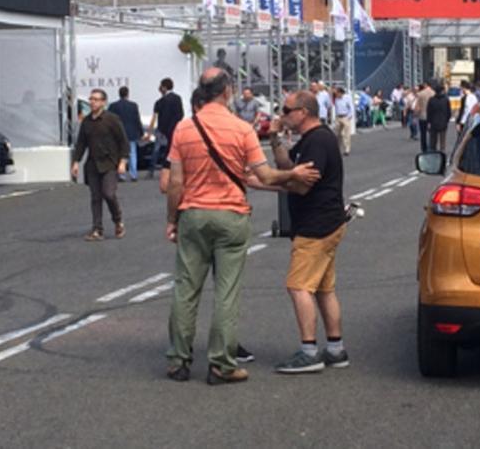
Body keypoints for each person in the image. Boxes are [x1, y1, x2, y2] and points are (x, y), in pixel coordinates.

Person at [164, 68, 320, 385]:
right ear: (227, 91)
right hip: (230, 215)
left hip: (193, 213)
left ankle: (178, 360)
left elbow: (175, 182)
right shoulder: (241, 129)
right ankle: (221, 364)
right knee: (226, 292)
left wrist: (172, 220)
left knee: (185, 289)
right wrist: (293, 174)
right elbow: (264, 176)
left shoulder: (184, 128)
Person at [269, 90, 349, 373]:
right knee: (324, 288)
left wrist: (267, 182)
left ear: (303, 111)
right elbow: (288, 167)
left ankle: (309, 350)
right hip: (328, 222)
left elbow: (301, 184)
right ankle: (336, 348)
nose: (282, 114)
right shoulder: (311, 140)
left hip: (316, 225)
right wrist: (274, 138)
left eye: (287, 110)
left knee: (298, 286)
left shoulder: (318, 141)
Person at [71, 89, 130, 241]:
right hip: (93, 164)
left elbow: (123, 141)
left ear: (103, 102)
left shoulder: (112, 119)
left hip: (110, 163)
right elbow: (81, 144)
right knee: (95, 197)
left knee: (109, 194)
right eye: (91, 99)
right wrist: (76, 162)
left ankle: (118, 221)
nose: (92, 102)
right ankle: (97, 229)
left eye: (96, 99)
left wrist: (123, 161)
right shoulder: (87, 121)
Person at [147, 78, 185, 179]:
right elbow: (180, 114)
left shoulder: (159, 102)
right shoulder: (177, 98)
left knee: (156, 150)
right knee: (172, 150)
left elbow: (154, 117)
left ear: (164, 87)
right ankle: (170, 168)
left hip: (161, 129)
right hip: (174, 129)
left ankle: (151, 170)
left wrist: (150, 132)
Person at [109, 86, 144, 182]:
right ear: (127, 94)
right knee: (132, 153)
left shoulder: (113, 106)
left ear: (119, 94)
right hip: (131, 133)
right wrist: (141, 132)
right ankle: (134, 175)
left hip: (118, 133)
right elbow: (137, 120)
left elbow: (110, 120)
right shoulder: (133, 106)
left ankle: (121, 174)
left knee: (120, 154)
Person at [427, 83, 452, 153]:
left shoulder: (431, 100)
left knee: (433, 140)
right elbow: (449, 112)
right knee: (442, 140)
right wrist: (446, 120)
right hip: (443, 122)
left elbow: (429, 112)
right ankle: (442, 153)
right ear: (442, 91)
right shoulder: (446, 100)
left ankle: (433, 152)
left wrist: (429, 122)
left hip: (433, 122)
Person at [332, 86, 355, 156]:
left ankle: (347, 149)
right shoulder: (335, 98)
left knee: (346, 134)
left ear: (341, 93)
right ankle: (337, 148)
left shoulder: (347, 98)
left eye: (337, 93)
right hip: (338, 117)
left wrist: (349, 116)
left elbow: (351, 107)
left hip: (345, 117)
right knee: (337, 134)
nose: (337, 95)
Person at [415, 82, 434, 153]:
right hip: (432, 116)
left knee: (423, 133)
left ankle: (424, 148)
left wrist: (415, 114)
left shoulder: (420, 94)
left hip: (422, 116)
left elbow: (417, 106)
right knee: (431, 133)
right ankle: (431, 147)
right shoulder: (433, 93)